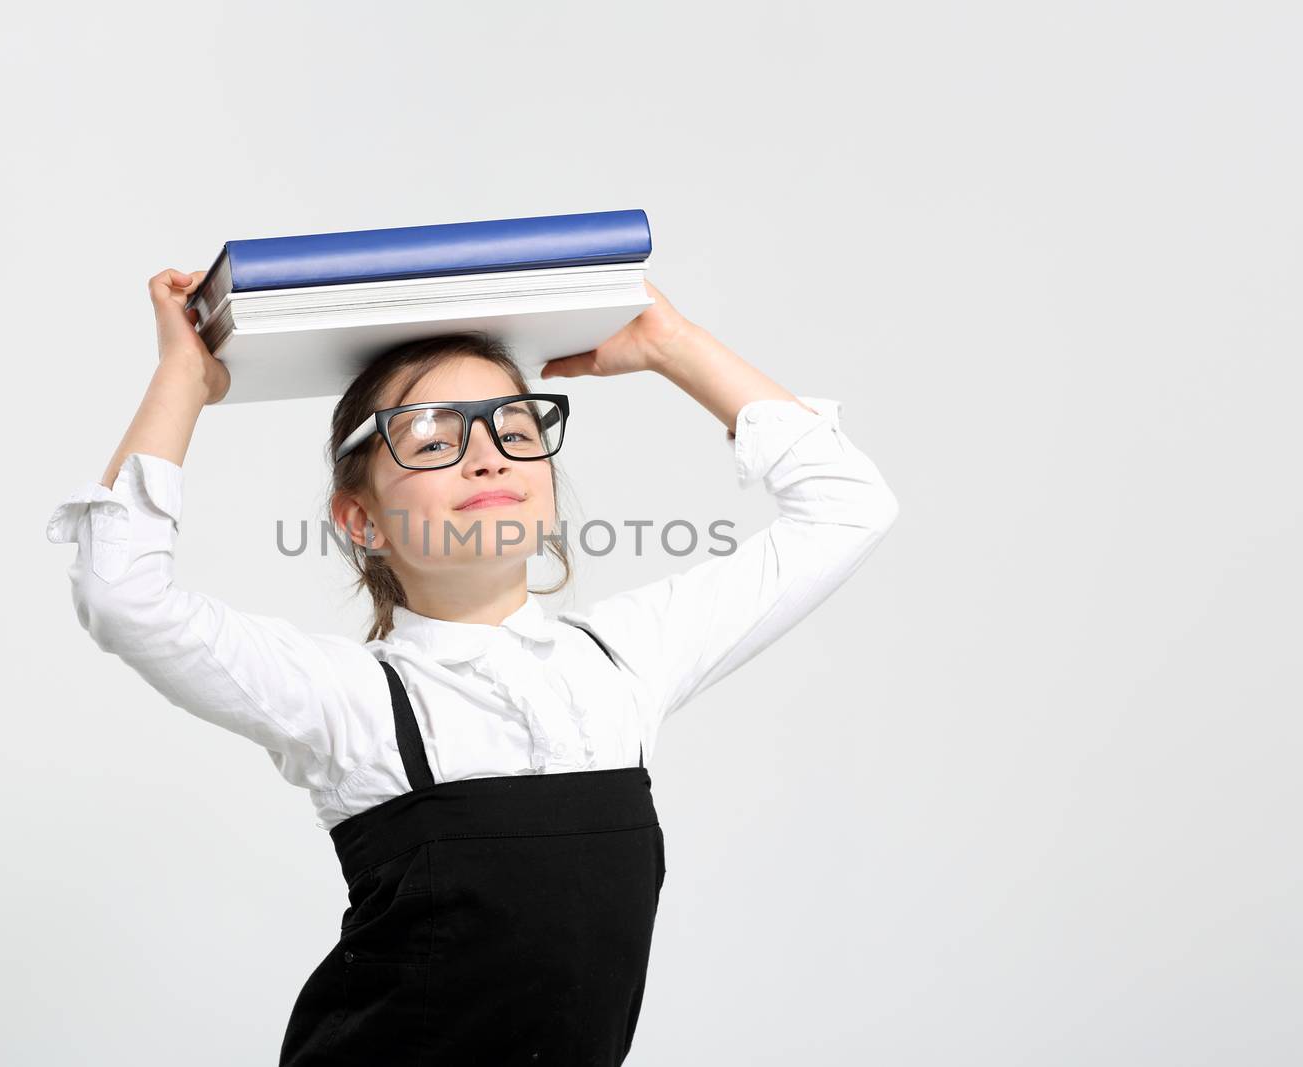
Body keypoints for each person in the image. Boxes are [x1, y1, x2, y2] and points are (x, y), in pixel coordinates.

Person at [45, 267, 900, 1065]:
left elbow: (849, 507)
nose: (488, 455)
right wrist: (182, 382)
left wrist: (669, 344)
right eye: (430, 438)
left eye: (515, 428)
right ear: (361, 519)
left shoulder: (624, 662)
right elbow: (122, 594)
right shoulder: (352, 701)